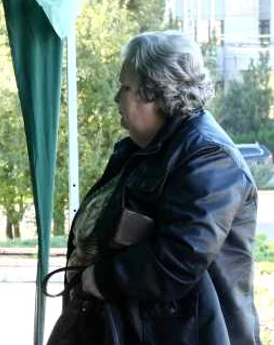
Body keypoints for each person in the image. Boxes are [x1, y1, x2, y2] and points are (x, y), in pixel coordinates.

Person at [57, 31, 260, 344]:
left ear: (156, 92)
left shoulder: (209, 156)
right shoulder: (146, 149)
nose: (117, 98)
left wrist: (98, 279)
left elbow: (177, 260)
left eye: (126, 87)